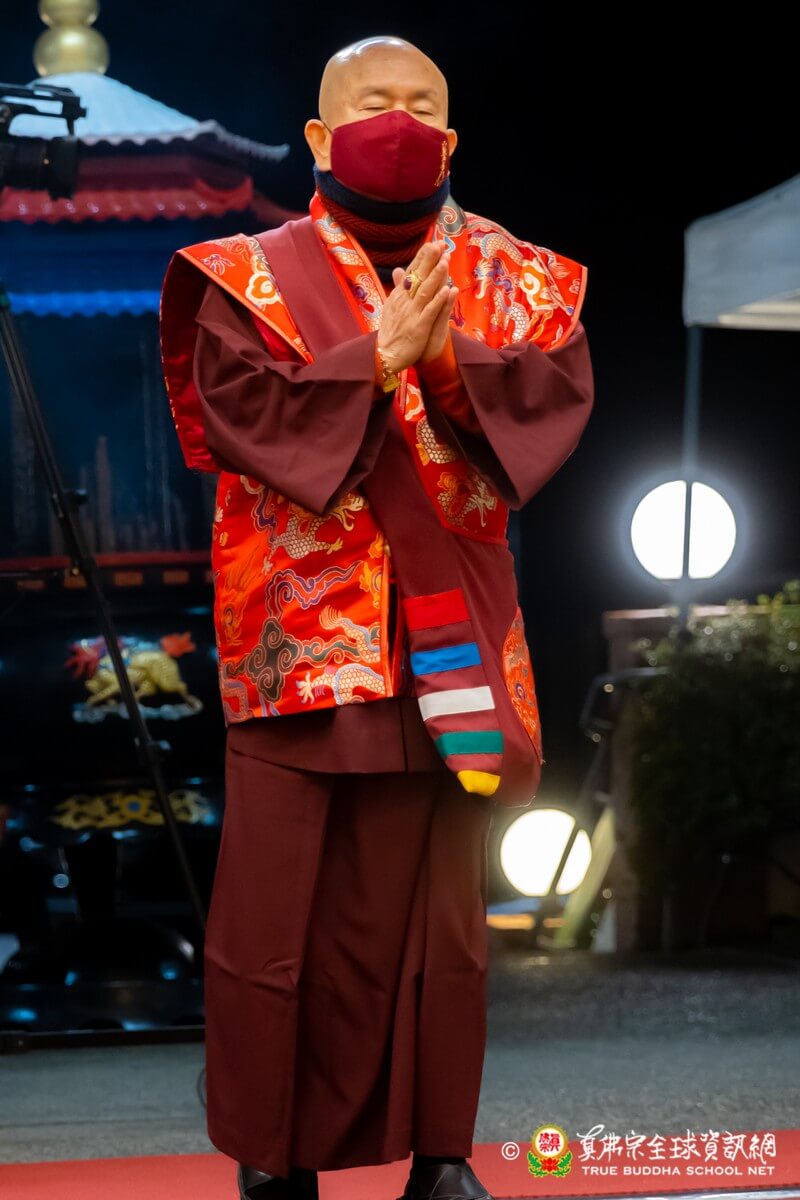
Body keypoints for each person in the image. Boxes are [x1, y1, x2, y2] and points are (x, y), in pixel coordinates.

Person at [159, 34, 594, 1200]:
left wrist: (443, 360)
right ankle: (274, 1160)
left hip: (448, 634)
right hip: (302, 641)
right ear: (317, 133)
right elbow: (242, 416)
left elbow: (546, 414)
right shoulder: (242, 274)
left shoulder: (516, 274)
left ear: (448, 139)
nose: (394, 121)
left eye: (417, 104)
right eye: (369, 102)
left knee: (440, 917)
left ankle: (441, 1153)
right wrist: (373, 358)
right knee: (273, 917)